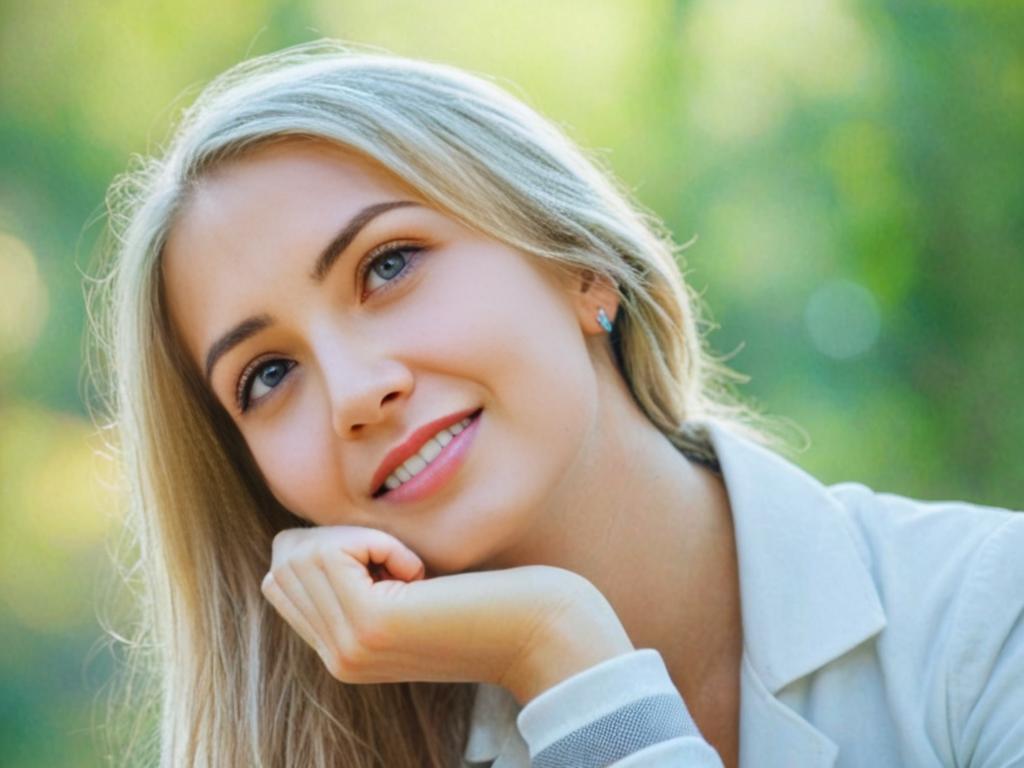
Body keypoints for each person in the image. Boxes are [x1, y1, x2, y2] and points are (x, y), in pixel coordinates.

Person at [93, 40, 1024, 768]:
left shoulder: (987, 622)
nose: (353, 394)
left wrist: (567, 658)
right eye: (267, 375)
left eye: (388, 265)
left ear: (581, 265)